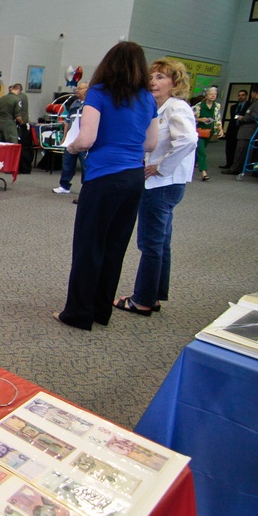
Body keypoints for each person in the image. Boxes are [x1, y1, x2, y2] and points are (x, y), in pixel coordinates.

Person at [54, 41, 158, 331]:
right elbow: (151, 143)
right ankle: (101, 310)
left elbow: (87, 138)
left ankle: (77, 313)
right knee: (115, 246)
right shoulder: (147, 99)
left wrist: (72, 148)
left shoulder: (98, 94)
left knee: (89, 246)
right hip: (134, 178)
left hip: (104, 177)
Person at [114, 58, 197, 315]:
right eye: (152, 76)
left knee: (150, 243)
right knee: (160, 242)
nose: (153, 81)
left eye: (161, 77)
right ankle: (154, 294)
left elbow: (188, 140)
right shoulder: (158, 108)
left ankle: (143, 300)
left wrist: (161, 166)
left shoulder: (177, 108)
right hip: (163, 184)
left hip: (161, 184)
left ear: (175, 83)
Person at [53, 81, 89, 195]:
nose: (77, 91)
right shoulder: (74, 103)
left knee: (85, 165)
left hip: (84, 139)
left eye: (80, 89)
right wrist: (65, 137)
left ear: (87, 90)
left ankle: (86, 188)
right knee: (67, 162)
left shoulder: (91, 104)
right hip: (71, 139)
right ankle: (64, 185)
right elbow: (67, 121)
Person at [225, 84, 258, 175]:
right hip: (246, 130)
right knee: (240, 151)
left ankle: (235, 169)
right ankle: (235, 167)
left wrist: (243, 118)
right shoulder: (256, 102)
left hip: (248, 131)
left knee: (241, 151)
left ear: (254, 93)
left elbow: (255, 116)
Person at [192, 86, 221, 181]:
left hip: (210, 131)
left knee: (199, 151)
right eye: (211, 94)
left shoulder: (217, 106)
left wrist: (220, 129)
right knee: (202, 151)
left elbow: (218, 119)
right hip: (199, 131)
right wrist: (200, 119)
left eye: (215, 94)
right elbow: (191, 118)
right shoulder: (198, 106)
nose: (213, 96)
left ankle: (191, 166)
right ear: (206, 95)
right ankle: (204, 172)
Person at [220, 89, 248, 171]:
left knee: (238, 149)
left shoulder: (248, 106)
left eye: (242, 95)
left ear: (246, 96)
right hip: (232, 129)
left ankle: (235, 166)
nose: (240, 97)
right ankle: (228, 163)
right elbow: (232, 118)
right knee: (229, 147)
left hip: (241, 129)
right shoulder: (233, 107)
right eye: (239, 95)